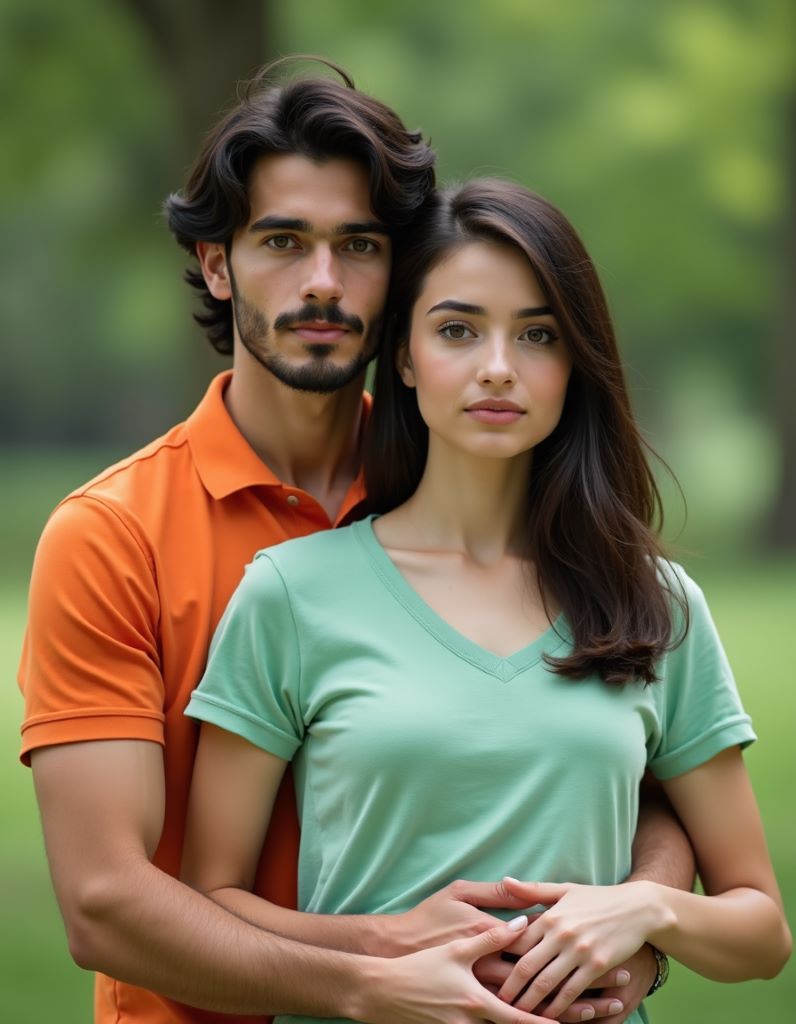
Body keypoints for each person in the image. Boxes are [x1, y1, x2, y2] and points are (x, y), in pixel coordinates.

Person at [19, 57, 694, 1024]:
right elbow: (103, 904)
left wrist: (637, 926)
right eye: (283, 242)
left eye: (360, 245)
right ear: (218, 262)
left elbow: (644, 751)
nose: (324, 283)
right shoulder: (111, 535)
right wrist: (377, 970)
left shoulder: (475, 481)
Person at [182, 177, 791, 1024]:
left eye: (537, 335)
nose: (498, 369)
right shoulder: (292, 595)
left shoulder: (652, 602)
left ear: (575, 361)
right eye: (458, 330)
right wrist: (376, 956)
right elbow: (209, 900)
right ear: (402, 356)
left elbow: (761, 931)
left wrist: (646, 914)